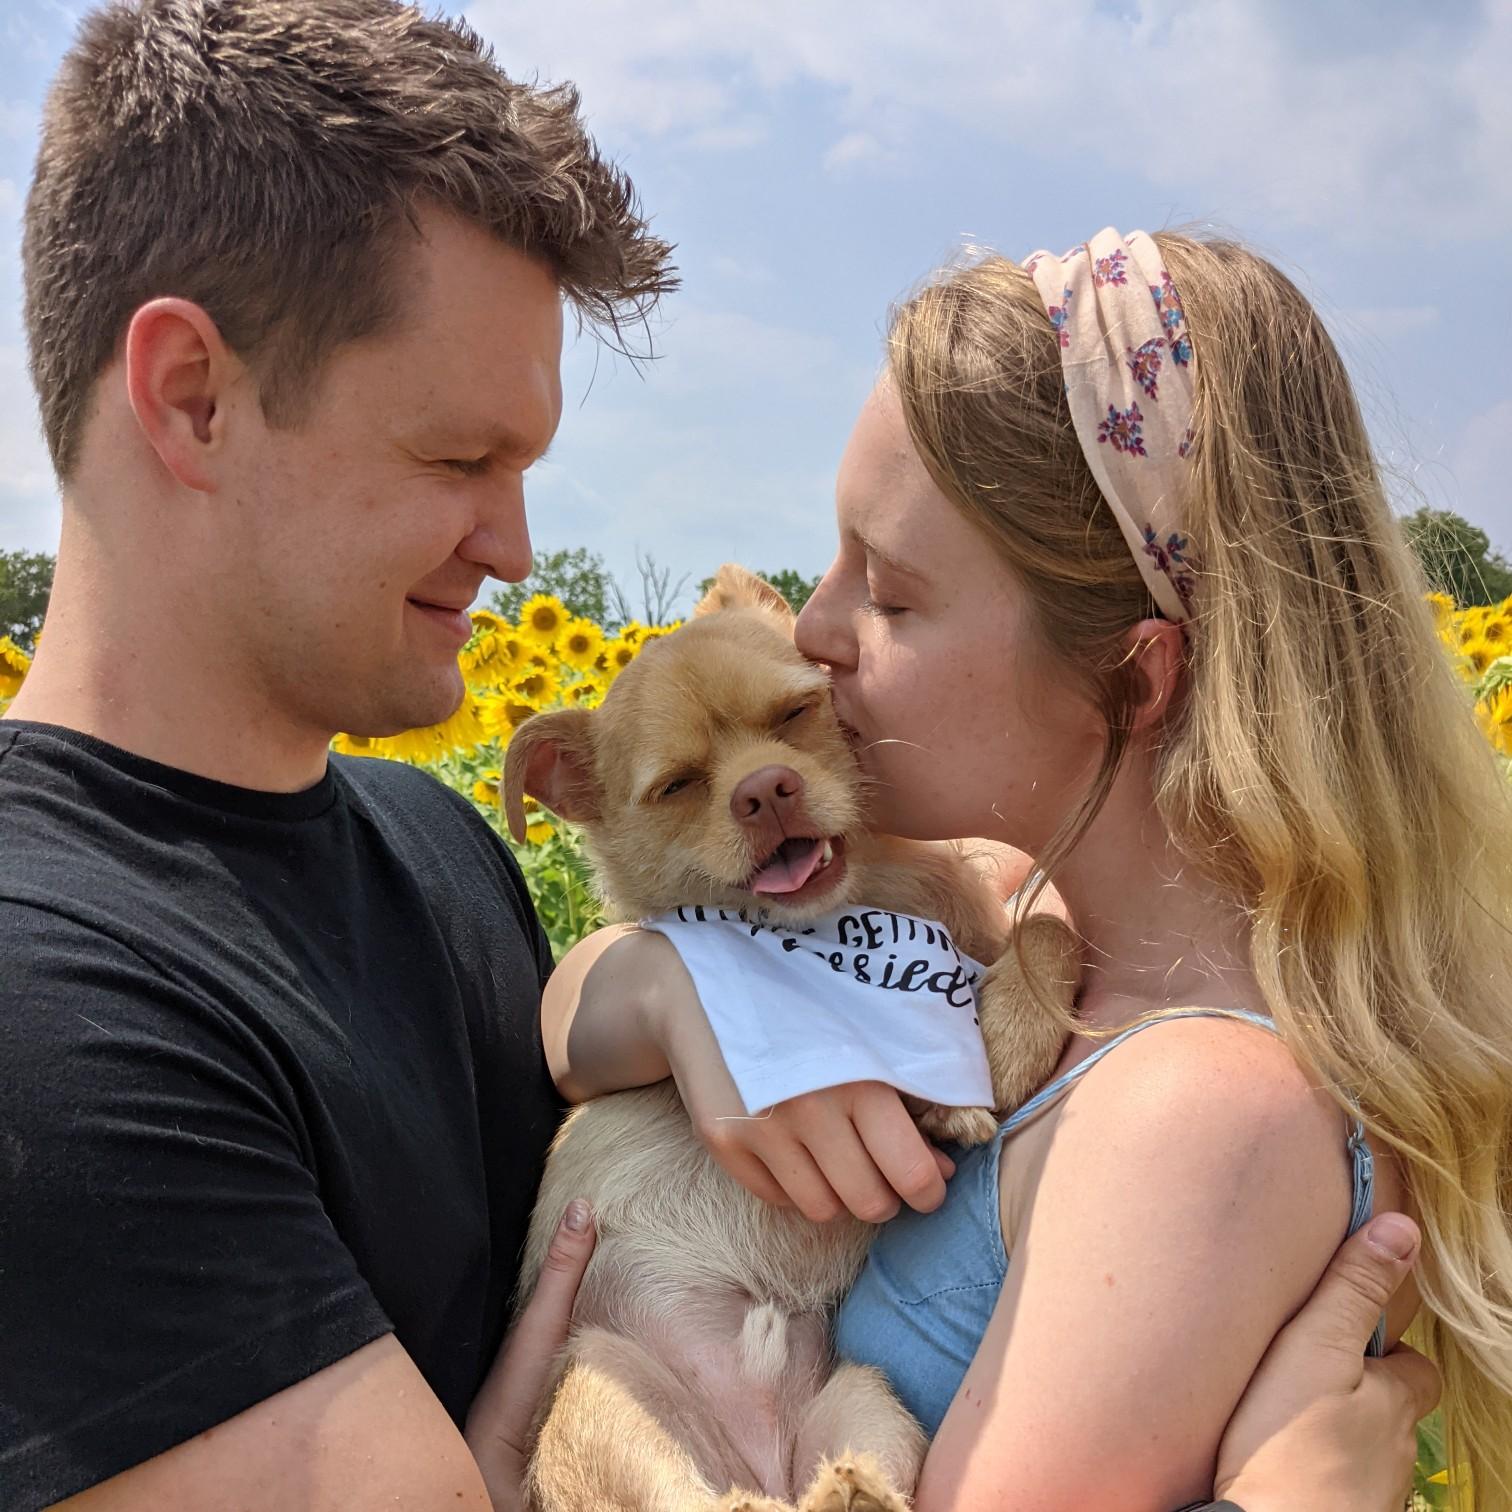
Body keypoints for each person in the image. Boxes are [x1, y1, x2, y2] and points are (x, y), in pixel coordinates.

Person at [0, 2, 1439, 1508]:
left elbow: (598, 1007)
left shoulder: (435, 855)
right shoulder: (50, 1012)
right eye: (456, 459)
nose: (517, 547)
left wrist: (688, 993)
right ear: (188, 397)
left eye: (526, 464)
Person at [546, 228, 1512, 1509]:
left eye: (888, 594)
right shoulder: (1041, 933)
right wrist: (670, 991)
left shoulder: (1191, 1118)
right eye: (828, 559)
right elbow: (578, 1006)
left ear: (1129, 673)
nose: (815, 634)